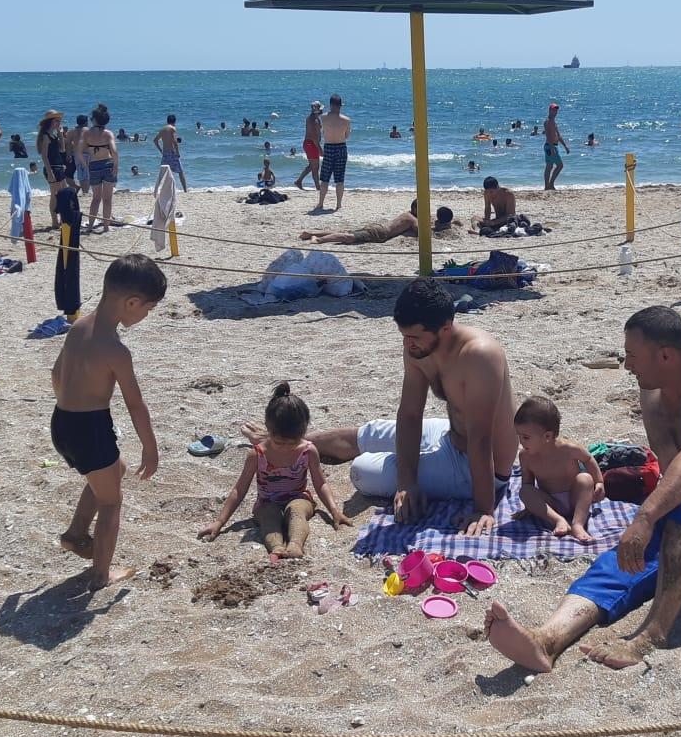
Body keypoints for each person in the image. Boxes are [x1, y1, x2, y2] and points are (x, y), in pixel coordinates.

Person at [485, 306, 681, 671]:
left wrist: (645, 516)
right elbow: (670, 466)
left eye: (632, 356)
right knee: (619, 560)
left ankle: (649, 637)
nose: (627, 366)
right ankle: (548, 639)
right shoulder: (653, 393)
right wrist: (649, 524)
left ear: (665, 356)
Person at [241, 278, 518, 536]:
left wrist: (483, 508)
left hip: (484, 467)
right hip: (451, 435)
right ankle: (284, 442)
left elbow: (481, 438)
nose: (408, 344)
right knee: (372, 432)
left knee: (363, 471)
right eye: (404, 335)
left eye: (414, 337)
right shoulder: (419, 346)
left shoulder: (479, 355)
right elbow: (410, 414)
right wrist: (407, 482)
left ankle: (289, 445)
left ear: (445, 328)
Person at [52, 254, 167, 590]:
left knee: (115, 469)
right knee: (111, 501)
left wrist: (73, 401)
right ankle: (101, 574)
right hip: (89, 429)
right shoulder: (116, 350)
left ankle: (76, 534)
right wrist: (150, 447)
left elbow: (56, 373)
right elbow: (135, 405)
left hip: (62, 422)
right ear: (131, 302)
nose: (146, 315)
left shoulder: (78, 327)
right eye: (148, 308)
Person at [199, 383, 350, 558]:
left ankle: (295, 545)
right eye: (279, 442)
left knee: (297, 510)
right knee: (269, 516)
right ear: (267, 430)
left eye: (292, 443)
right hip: (267, 502)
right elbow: (239, 489)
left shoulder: (308, 450)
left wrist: (334, 511)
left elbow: (320, 483)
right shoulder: (257, 454)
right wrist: (219, 522)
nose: (285, 447)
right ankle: (276, 548)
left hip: (298, 497)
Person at [513, 396, 603, 543]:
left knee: (585, 479)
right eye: (519, 436)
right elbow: (528, 483)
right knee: (525, 491)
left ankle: (577, 524)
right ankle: (558, 520)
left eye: (526, 437)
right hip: (551, 503)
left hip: (575, 498)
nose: (521, 442)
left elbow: (588, 459)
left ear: (547, 436)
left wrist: (599, 482)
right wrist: (531, 506)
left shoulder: (568, 449)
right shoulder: (525, 456)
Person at [299, 201, 452, 245]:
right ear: (415, 209)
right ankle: (319, 240)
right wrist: (437, 226)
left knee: (348, 233)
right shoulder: (412, 218)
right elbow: (422, 233)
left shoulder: (407, 215)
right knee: (349, 237)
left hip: (379, 228)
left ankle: (311, 233)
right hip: (380, 233)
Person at [83, 104, 118, 234]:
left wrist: (85, 165)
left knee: (96, 198)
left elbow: (79, 152)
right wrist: (116, 166)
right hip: (108, 164)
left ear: (95, 119)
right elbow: (114, 152)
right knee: (107, 199)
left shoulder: (87, 133)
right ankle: (106, 227)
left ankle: (90, 226)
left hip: (94, 165)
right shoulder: (108, 134)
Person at [317, 94, 351, 210]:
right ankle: (338, 204)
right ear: (340, 105)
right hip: (341, 147)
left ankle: (321, 203)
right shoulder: (346, 120)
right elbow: (346, 136)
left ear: (330, 105)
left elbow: (321, 133)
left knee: (325, 178)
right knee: (339, 179)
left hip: (328, 147)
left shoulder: (323, 118)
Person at [36, 110, 68, 229]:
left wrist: (60, 134)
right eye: (56, 121)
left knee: (63, 194)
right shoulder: (45, 136)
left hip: (58, 167)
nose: (59, 123)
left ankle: (61, 219)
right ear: (50, 122)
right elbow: (44, 156)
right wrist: (50, 173)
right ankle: (55, 221)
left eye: (59, 121)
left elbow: (62, 149)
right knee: (55, 195)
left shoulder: (53, 135)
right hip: (52, 168)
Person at [153, 114, 188, 192]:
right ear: (174, 121)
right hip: (172, 153)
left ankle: (156, 190)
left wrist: (161, 150)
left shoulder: (162, 129)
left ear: (167, 121)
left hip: (165, 153)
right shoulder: (172, 128)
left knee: (162, 173)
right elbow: (175, 142)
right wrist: (177, 152)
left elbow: (155, 140)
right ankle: (185, 190)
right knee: (180, 171)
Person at [294, 101, 324, 191]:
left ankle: (299, 181)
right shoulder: (314, 120)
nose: (322, 111)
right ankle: (318, 188)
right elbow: (314, 137)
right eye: (320, 109)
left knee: (312, 165)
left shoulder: (314, 118)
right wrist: (320, 149)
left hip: (309, 144)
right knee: (315, 167)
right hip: (311, 144)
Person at [543, 102, 570, 190]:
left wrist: (565, 146)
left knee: (549, 166)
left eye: (556, 110)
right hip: (550, 146)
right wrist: (551, 148)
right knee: (559, 165)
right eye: (553, 110)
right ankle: (550, 184)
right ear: (550, 111)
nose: (555, 112)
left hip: (553, 146)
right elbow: (548, 135)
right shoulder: (548, 122)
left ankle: (548, 186)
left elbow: (558, 135)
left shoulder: (554, 122)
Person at [66, 115, 90, 194]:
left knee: (81, 173)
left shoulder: (71, 132)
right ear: (86, 122)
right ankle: (86, 191)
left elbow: (68, 144)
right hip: (88, 154)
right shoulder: (88, 130)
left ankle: (84, 191)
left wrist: (68, 155)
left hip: (77, 155)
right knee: (87, 173)